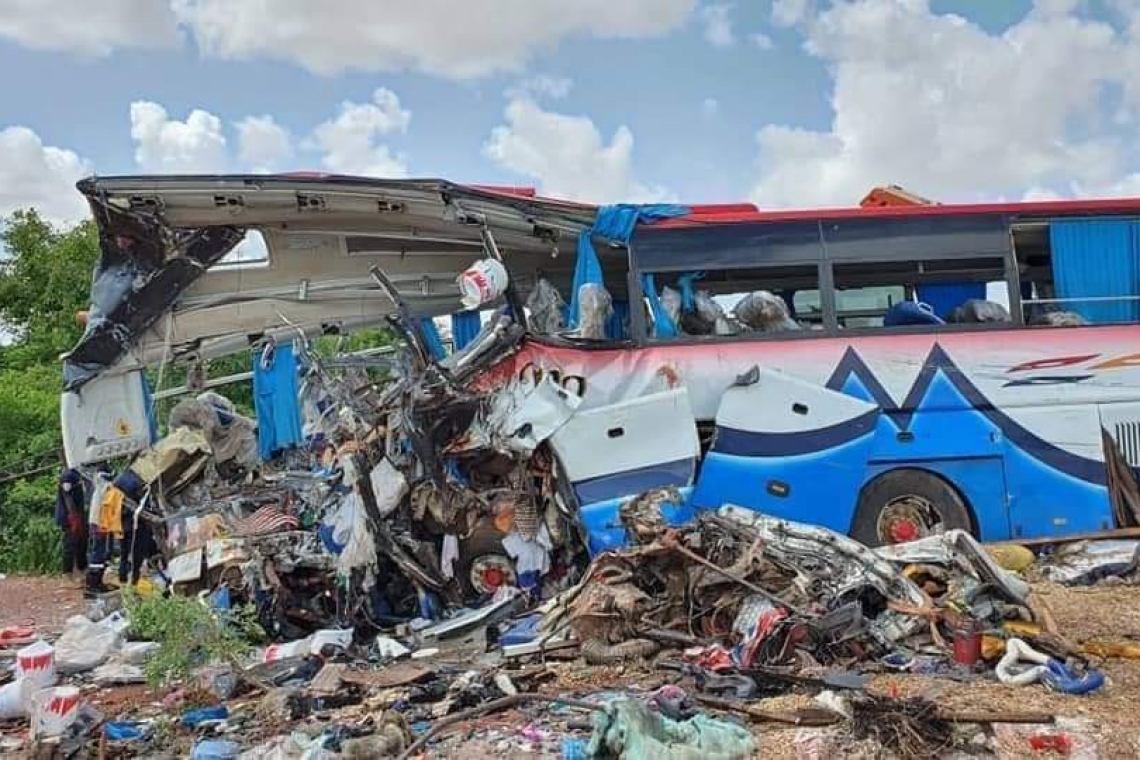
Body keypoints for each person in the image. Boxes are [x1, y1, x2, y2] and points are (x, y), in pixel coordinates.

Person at [54, 468, 87, 577]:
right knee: (70, 545)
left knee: (81, 544)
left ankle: (81, 570)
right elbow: (67, 496)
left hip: (77, 516)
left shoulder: (78, 473)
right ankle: (67, 574)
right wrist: (74, 517)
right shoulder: (68, 475)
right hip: (70, 518)